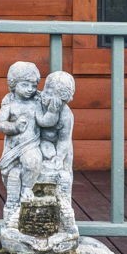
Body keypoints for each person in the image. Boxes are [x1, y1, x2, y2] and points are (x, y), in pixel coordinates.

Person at [0, 61, 42, 223]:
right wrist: (14, 126)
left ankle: (26, 189)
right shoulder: (10, 104)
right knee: (10, 175)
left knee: (32, 162)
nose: (30, 89)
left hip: (31, 144)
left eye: (33, 85)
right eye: (25, 85)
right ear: (13, 85)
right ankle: (13, 203)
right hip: (13, 147)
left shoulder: (37, 102)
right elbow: (0, 124)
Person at [36, 70, 77, 211]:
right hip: (41, 142)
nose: (45, 95)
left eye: (51, 93)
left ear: (63, 99)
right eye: (45, 89)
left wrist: (59, 156)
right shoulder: (39, 103)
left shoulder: (66, 115)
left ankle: (63, 206)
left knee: (64, 173)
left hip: (60, 149)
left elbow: (64, 140)